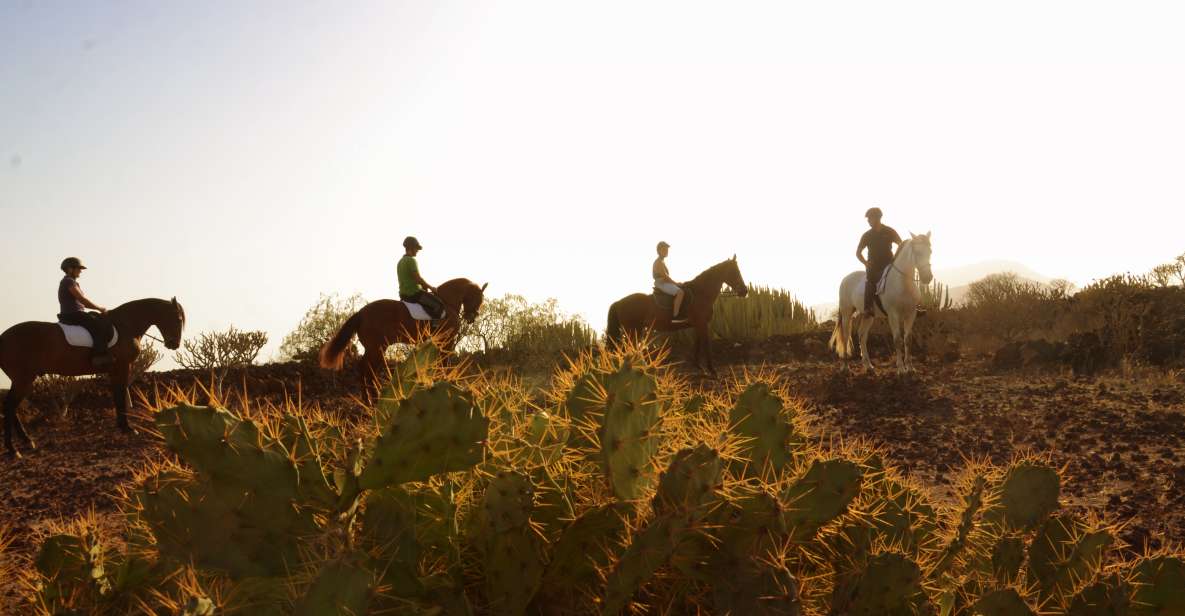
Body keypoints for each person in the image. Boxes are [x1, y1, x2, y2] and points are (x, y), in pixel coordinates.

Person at [57, 257, 113, 367]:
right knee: (97, 326)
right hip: (73, 314)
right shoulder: (68, 281)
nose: (80, 271)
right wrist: (100, 308)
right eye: (78, 268)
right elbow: (83, 300)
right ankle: (99, 356)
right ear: (70, 269)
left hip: (74, 313)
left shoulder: (70, 282)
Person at [856, 208, 903, 318]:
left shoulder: (889, 231)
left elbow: (901, 244)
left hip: (889, 264)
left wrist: (896, 259)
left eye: (870, 219)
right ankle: (868, 307)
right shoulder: (866, 235)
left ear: (878, 218)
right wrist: (865, 263)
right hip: (874, 266)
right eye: (868, 219)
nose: (868, 221)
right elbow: (858, 252)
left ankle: (914, 305)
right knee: (871, 280)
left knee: (904, 277)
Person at [397, 236, 445, 319]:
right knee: (439, 306)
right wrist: (431, 288)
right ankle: (434, 330)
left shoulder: (400, 262)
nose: (417, 251)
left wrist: (424, 287)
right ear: (411, 247)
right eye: (416, 248)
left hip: (403, 295)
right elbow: (418, 279)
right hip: (414, 293)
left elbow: (409, 278)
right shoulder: (411, 260)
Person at [653, 241, 687, 323]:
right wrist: (676, 284)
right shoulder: (658, 262)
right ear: (659, 251)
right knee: (680, 292)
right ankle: (675, 317)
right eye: (664, 249)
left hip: (664, 282)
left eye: (667, 249)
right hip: (661, 283)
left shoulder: (662, 261)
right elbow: (665, 276)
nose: (666, 251)